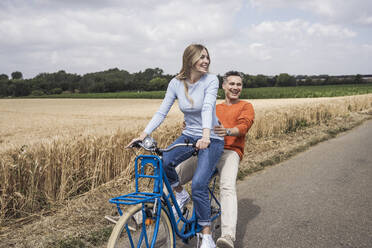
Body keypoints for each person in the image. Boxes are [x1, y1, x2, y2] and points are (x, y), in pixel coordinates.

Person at [127, 44, 224, 248]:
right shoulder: (176, 83)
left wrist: (206, 135)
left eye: (207, 57)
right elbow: (162, 111)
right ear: (190, 60)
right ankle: (180, 192)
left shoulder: (212, 80)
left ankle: (206, 236)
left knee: (198, 184)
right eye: (201, 57)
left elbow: (207, 108)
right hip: (189, 135)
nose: (206, 61)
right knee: (164, 162)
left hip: (211, 138)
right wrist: (143, 134)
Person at [176, 71, 255, 248]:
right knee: (174, 174)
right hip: (208, 150)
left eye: (239, 84)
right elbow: (199, 122)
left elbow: (243, 126)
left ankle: (227, 235)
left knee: (227, 187)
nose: (235, 88)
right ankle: (148, 213)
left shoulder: (246, 106)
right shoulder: (214, 107)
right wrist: (189, 125)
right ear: (224, 86)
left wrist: (227, 131)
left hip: (230, 152)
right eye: (232, 84)